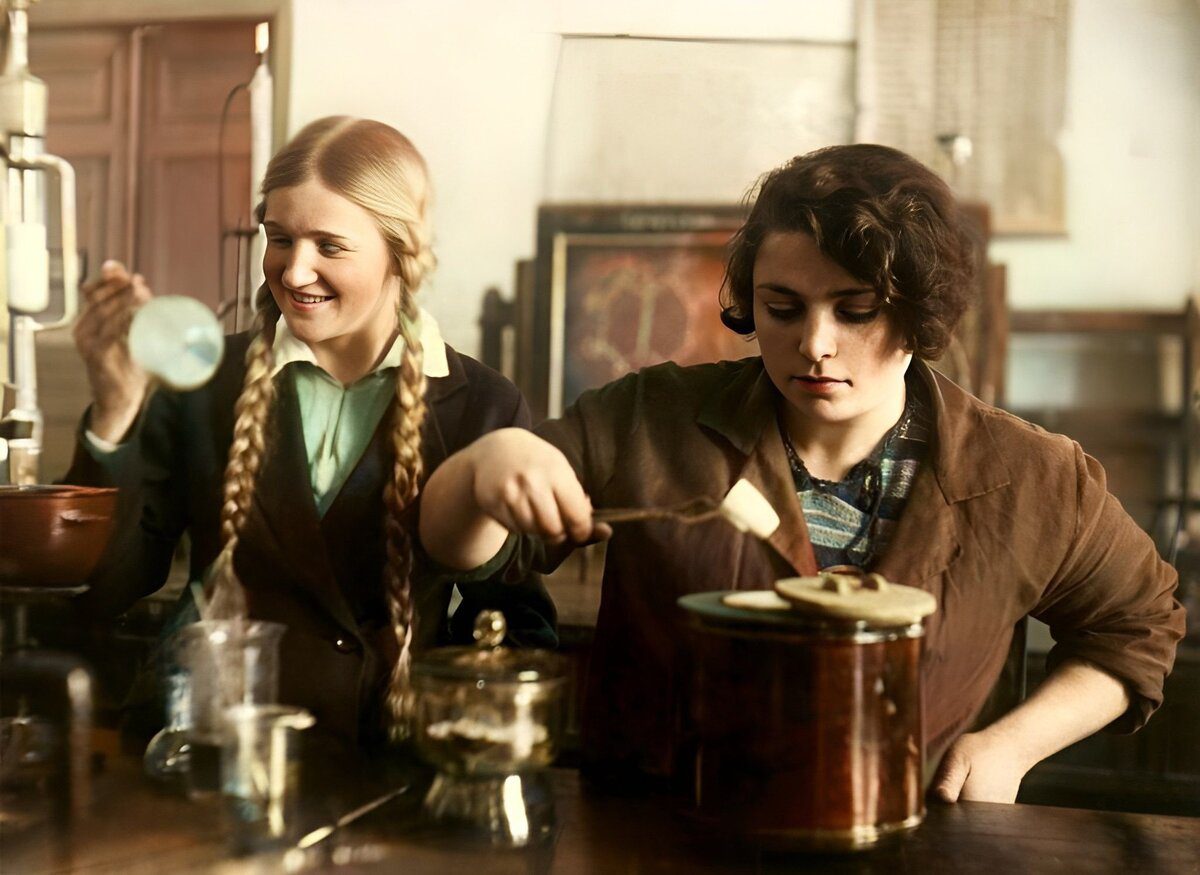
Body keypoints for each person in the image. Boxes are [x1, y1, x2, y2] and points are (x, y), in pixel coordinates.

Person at [418, 144, 1186, 803]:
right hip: (660, 836)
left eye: (856, 310)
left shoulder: (1029, 474)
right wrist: (483, 471)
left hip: (919, 842)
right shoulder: (649, 417)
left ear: (919, 312)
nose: (814, 344)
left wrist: (1012, 745)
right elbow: (467, 549)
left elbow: (1141, 625)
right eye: (783, 308)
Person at [66, 116, 556, 750]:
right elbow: (104, 587)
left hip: (376, 759)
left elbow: (514, 624)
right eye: (280, 239)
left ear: (400, 252)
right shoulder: (205, 383)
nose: (295, 271)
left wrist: (448, 727)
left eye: (330, 246)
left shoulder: (482, 406)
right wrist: (115, 409)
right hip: (200, 747)